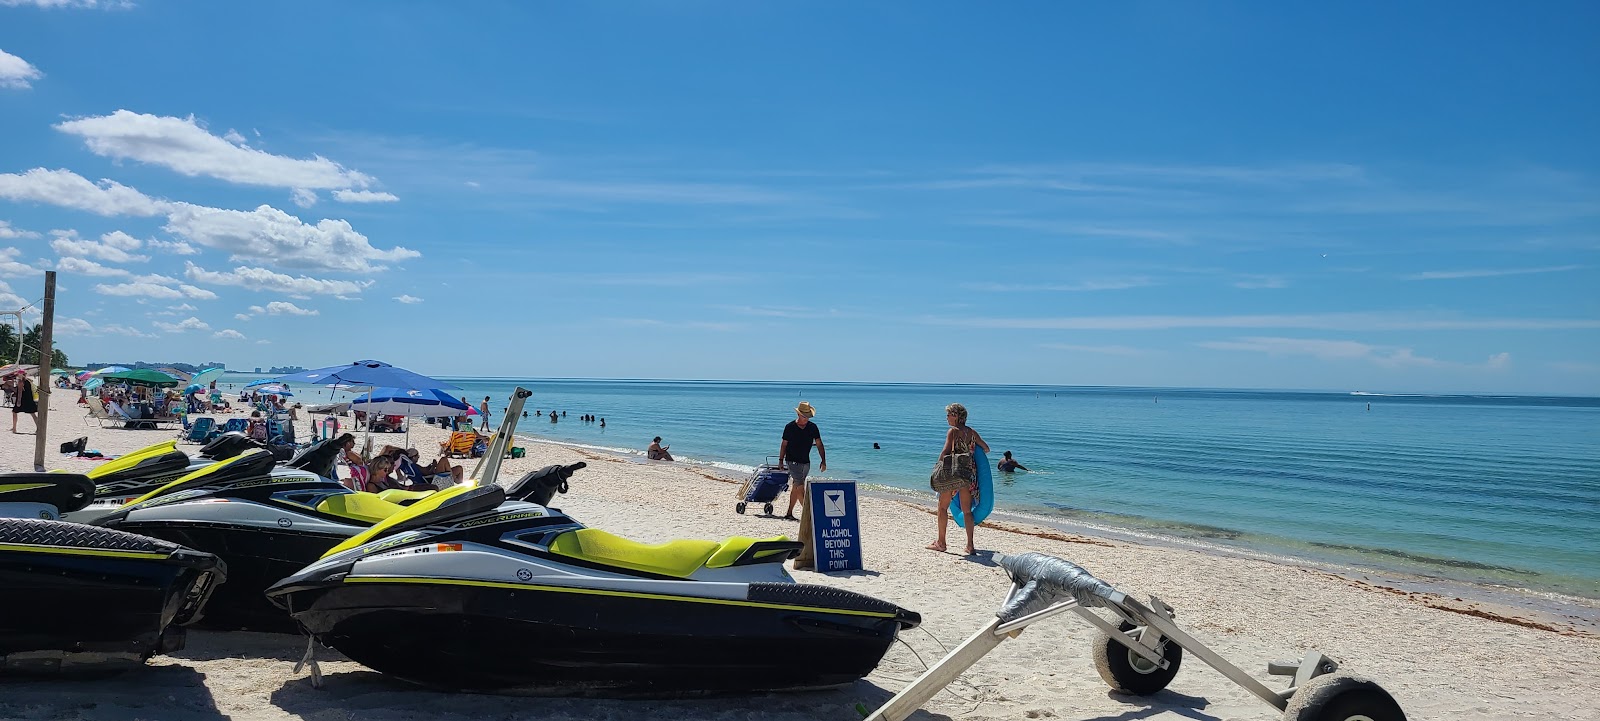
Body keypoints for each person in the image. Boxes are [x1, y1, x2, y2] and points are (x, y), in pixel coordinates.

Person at [928, 403, 989, 556]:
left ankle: (941, 543)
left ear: (956, 416)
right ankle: (970, 546)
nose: (947, 418)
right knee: (967, 511)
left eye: (949, 414)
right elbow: (986, 448)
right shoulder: (972, 432)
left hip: (952, 475)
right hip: (967, 475)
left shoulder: (953, 432)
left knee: (942, 508)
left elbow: (945, 452)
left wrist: (937, 469)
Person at [779, 401, 826, 571]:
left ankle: (789, 513)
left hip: (806, 463)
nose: (805, 419)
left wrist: (823, 460)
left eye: (808, 416)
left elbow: (819, 444)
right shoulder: (789, 427)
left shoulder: (813, 427)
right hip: (792, 461)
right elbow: (784, 444)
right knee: (799, 486)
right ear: (798, 414)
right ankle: (810, 513)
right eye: (804, 416)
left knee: (796, 487)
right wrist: (780, 461)